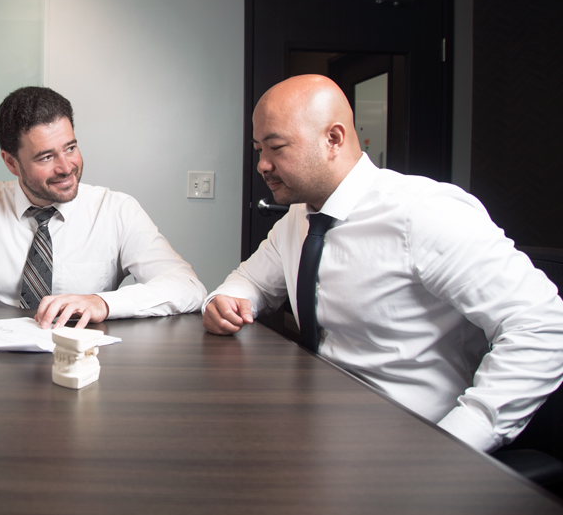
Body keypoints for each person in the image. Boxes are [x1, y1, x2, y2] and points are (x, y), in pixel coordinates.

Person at [203, 74, 563, 453]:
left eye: (275, 147)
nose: (262, 164)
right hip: (322, 430)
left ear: (334, 139)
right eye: (259, 148)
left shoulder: (424, 213)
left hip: (409, 444)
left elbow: (542, 327)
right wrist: (227, 299)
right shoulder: (299, 218)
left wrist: (460, 441)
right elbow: (252, 282)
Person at [0, 86, 205, 329]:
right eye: (46, 157)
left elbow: (188, 287)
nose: (67, 167)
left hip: (81, 361)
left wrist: (101, 303)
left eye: (71, 147)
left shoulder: (116, 209)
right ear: (11, 162)